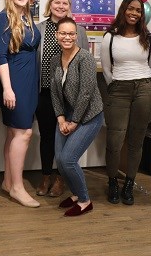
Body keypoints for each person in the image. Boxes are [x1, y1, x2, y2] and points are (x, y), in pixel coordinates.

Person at [100, 0, 151, 206]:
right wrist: (118, 84)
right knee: (114, 141)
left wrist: (145, 85)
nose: (134, 13)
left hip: (144, 88)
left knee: (136, 141)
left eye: (138, 11)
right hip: (119, 89)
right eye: (131, 9)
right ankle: (113, 181)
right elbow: (107, 69)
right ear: (124, 10)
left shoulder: (149, 37)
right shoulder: (110, 37)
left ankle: (129, 184)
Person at [0, 0, 41, 208]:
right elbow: (1, 56)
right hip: (14, 81)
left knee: (14, 134)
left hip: (29, 80)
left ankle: (7, 180)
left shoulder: (27, 16)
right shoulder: (4, 18)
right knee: (23, 133)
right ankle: (17, 188)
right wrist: (8, 89)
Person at [35, 0, 88, 198]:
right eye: (57, 2)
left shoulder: (79, 31)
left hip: (70, 95)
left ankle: (60, 178)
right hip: (46, 92)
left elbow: (83, 61)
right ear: (50, 5)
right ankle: (46, 176)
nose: (61, 6)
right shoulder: (39, 29)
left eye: (65, 3)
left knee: (65, 137)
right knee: (46, 136)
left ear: (69, 7)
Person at [50, 17, 103, 217]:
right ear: (57, 35)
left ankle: (84, 200)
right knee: (60, 161)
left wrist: (75, 122)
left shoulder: (85, 58)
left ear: (77, 36)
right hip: (67, 115)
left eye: (71, 33)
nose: (67, 37)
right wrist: (61, 118)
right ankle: (75, 194)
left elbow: (86, 94)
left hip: (89, 116)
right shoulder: (56, 59)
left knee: (69, 159)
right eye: (63, 33)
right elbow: (55, 93)